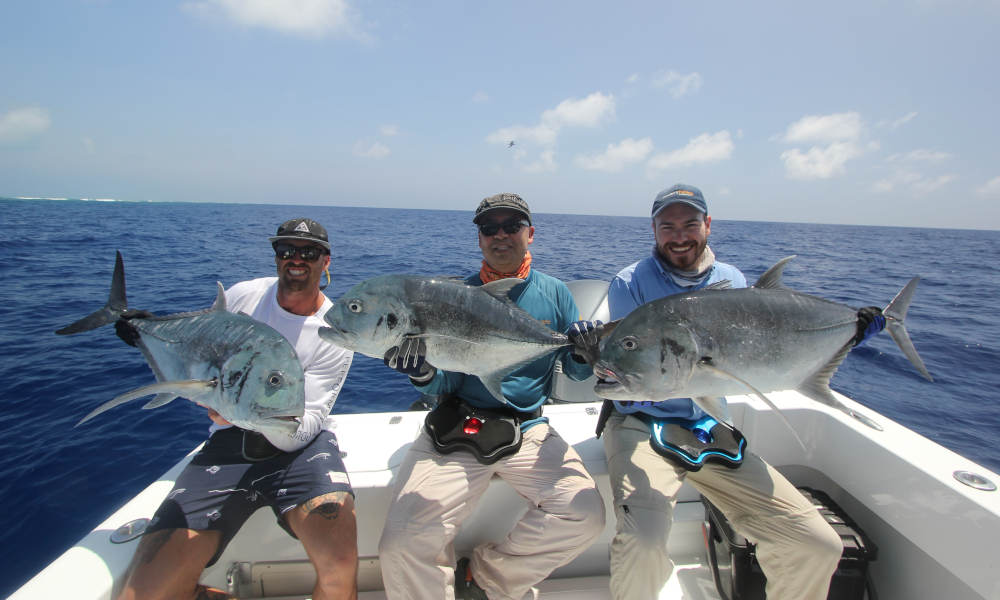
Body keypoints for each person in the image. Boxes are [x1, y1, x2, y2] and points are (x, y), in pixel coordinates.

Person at [596, 184, 877, 600]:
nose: (679, 236)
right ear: (654, 230)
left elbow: (753, 358)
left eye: (690, 224)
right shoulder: (630, 282)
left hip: (708, 426)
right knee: (644, 540)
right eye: (667, 226)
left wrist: (849, 331)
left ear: (707, 225)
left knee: (815, 543)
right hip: (639, 422)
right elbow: (629, 365)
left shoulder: (732, 280)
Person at [377, 193, 606, 600]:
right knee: (401, 542)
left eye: (511, 226)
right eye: (489, 228)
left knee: (584, 514)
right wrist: (424, 373)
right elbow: (442, 385)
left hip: (528, 428)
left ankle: (485, 580)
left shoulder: (555, 293)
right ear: (479, 239)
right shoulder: (453, 294)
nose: (500, 235)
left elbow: (573, 371)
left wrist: (586, 352)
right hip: (456, 427)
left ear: (530, 234)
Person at [115, 218, 357, 600]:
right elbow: (200, 338)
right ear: (276, 256)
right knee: (140, 594)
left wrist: (241, 410)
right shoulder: (246, 295)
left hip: (301, 446)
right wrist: (147, 330)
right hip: (229, 442)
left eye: (308, 252)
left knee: (340, 565)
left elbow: (308, 418)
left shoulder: (334, 332)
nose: (296, 259)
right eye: (286, 250)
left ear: (325, 261)